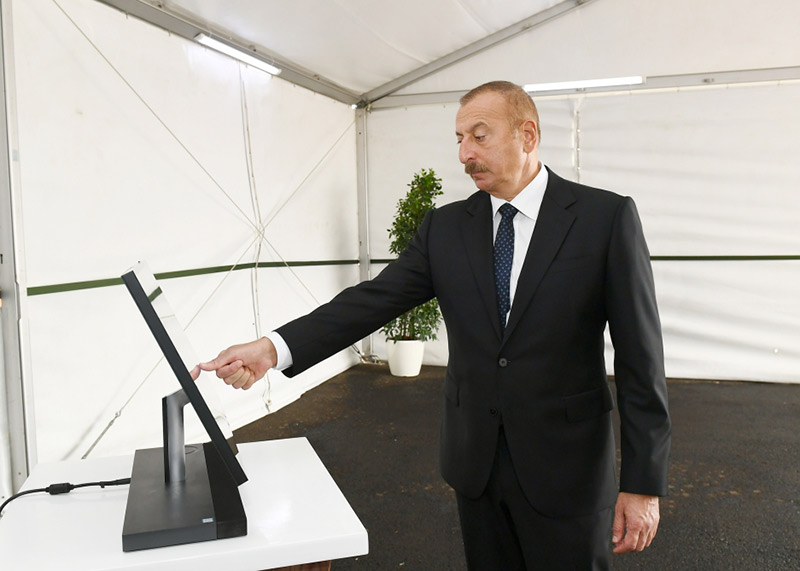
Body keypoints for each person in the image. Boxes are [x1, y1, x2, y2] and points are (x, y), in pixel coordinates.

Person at [198, 80, 671, 570]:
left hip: (568, 470)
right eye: (460, 139)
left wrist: (643, 484)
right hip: (476, 468)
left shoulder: (603, 218)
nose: (465, 154)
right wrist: (272, 349)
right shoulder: (445, 228)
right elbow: (370, 302)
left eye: (480, 136)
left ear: (528, 135)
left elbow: (641, 359)